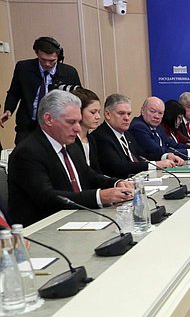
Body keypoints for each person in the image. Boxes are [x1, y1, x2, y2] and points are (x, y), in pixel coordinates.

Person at [7, 90, 133, 226]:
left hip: (78, 218)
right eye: (71, 122)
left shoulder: (70, 145)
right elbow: (47, 197)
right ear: (49, 119)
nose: (78, 128)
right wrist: (99, 197)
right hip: (45, 229)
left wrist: (116, 183)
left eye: (79, 122)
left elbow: (89, 175)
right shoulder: (28, 152)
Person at [1, 36, 81, 145]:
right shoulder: (23, 68)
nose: (47, 64)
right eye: (43, 60)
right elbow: (14, 92)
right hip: (28, 126)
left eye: (52, 61)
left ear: (59, 56)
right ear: (36, 53)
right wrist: (8, 110)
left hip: (57, 126)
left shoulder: (69, 72)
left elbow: (78, 99)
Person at [91, 94, 181, 178]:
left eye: (129, 114)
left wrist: (165, 156)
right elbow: (118, 167)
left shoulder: (126, 134)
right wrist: (156, 164)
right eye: (121, 113)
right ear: (108, 114)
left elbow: (141, 155)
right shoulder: (101, 136)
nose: (127, 118)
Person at [128, 97, 190, 161]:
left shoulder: (158, 127)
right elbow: (158, 151)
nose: (157, 116)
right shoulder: (138, 127)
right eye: (152, 111)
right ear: (142, 110)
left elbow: (172, 145)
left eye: (160, 113)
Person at [71, 88, 103, 173]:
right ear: (79, 112)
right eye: (93, 112)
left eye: (99, 112)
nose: (98, 117)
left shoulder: (91, 139)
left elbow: (96, 170)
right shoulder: (70, 140)